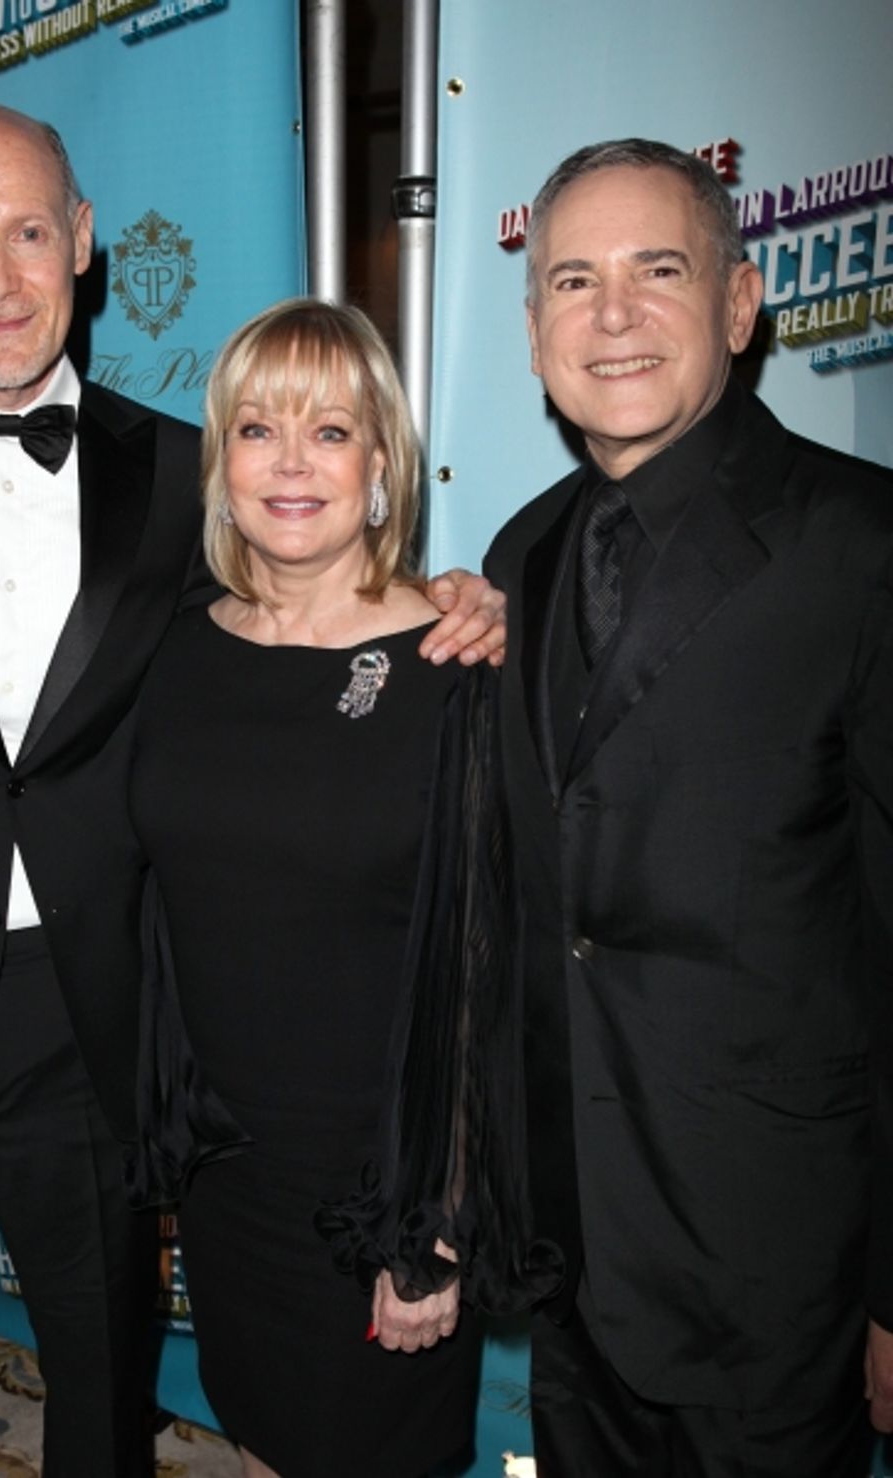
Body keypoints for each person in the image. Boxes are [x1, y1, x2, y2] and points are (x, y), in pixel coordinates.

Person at [0, 104, 504, 1478]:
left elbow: (300, 622)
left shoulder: (182, 473)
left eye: (29, 233)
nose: (1, 280)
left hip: (94, 1034)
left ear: (83, 242)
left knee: (97, 1403)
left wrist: (450, 595)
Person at [484, 137, 893, 1475]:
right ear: (535, 319)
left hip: (778, 1269)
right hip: (577, 1255)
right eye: (572, 279)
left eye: (658, 271)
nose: (610, 316)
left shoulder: (860, 545)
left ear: (738, 301)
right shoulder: (521, 553)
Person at [126, 298, 559, 1478]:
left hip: (383, 1179)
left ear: (382, 464)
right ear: (222, 465)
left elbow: (487, 966)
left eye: (331, 430)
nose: (292, 462)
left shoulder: (453, 661)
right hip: (229, 1173)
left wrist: (439, 1219)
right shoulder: (174, 645)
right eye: (260, 428)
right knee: (265, 1434)